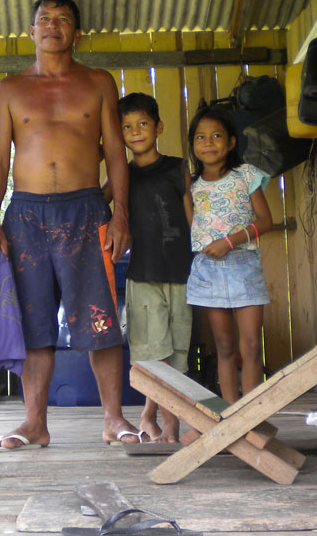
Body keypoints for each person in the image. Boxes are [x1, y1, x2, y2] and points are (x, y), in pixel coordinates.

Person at [0, 0, 142, 451]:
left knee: (100, 319)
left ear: (77, 32)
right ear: (31, 32)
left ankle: (113, 419)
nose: (53, 26)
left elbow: (115, 152)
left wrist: (121, 213)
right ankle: (34, 423)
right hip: (25, 214)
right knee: (33, 323)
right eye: (44, 19)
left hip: (87, 210)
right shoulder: (10, 88)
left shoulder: (98, 82)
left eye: (63, 19)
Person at [116, 92, 193, 443]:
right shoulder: (121, 177)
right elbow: (104, 209)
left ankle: (155, 418)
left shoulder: (178, 168)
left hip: (181, 273)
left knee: (176, 354)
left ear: (159, 127)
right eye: (127, 127)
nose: (135, 132)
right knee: (150, 353)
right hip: (143, 274)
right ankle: (162, 424)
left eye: (143, 123)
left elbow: (193, 219)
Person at [186, 103, 273, 404]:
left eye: (216, 136)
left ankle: (251, 415)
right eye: (200, 137)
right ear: (192, 144)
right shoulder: (190, 185)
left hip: (243, 265)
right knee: (224, 346)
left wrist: (230, 241)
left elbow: (266, 220)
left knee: (250, 345)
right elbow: (193, 229)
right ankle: (231, 415)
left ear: (232, 142)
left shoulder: (245, 175)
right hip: (208, 270)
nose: (208, 143)